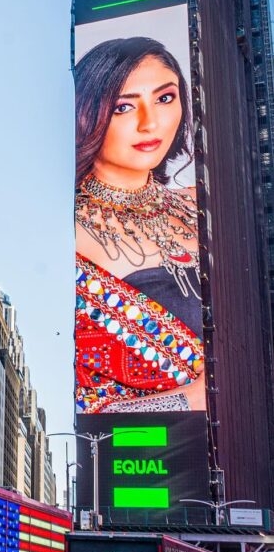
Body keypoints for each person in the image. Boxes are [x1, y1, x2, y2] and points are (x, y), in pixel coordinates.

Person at [74, 37, 205, 414]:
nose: (151, 123)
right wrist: (194, 399)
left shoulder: (204, 204)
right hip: (149, 463)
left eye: (165, 98)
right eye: (124, 107)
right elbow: (89, 421)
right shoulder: (67, 235)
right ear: (88, 114)